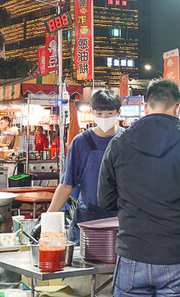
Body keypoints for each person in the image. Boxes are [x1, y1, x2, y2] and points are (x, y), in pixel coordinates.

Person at [98, 79, 180, 297]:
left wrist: (132, 203)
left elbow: (105, 199)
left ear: (146, 106)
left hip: (132, 253)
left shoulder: (119, 142)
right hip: (178, 254)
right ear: (178, 107)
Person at [47, 88, 123, 242]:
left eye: (109, 113)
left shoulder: (128, 140)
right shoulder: (81, 142)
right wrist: (47, 220)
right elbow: (66, 185)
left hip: (122, 219)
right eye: (100, 113)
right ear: (92, 111)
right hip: (88, 218)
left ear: (118, 112)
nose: (104, 117)